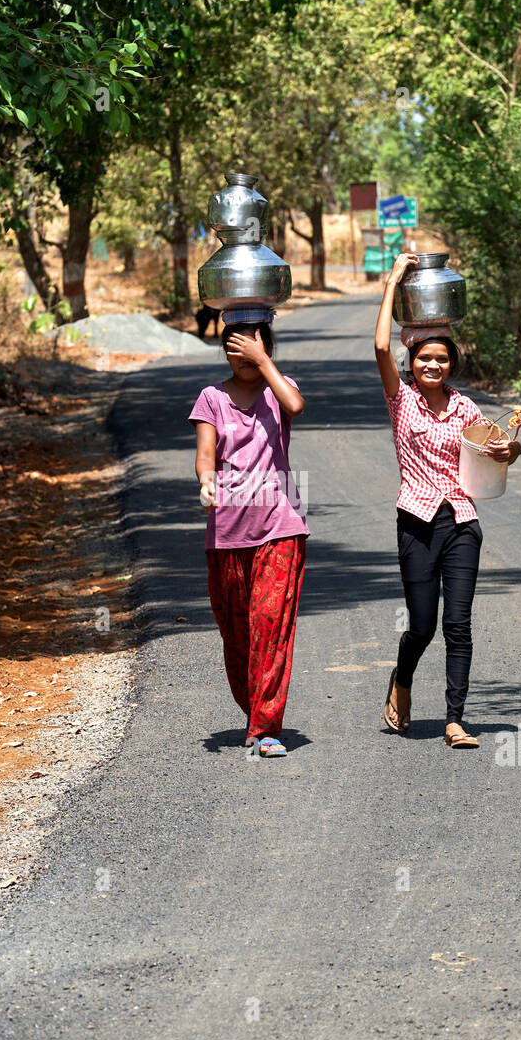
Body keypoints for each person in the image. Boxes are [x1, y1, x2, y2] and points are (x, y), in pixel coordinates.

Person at [374, 253, 521, 748]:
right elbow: (379, 345)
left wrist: (510, 449)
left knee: (459, 624)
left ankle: (455, 718)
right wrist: (394, 280)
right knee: (422, 625)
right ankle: (402, 679)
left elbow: (491, 457)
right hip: (416, 521)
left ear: (451, 364)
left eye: (441, 359)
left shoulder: (465, 407)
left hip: (461, 522)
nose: (432, 365)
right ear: (411, 363)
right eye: (424, 359)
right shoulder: (402, 400)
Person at [189, 316, 309, 757]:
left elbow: (295, 407)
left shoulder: (280, 389)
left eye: (251, 349)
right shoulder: (211, 398)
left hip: (280, 525)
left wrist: (264, 362)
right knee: (237, 635)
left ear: (266, 348)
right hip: (226, 533)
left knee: (270, 628)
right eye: (234, 350)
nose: (243, 359)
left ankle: (265, 727)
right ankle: (255, 710)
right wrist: (206, 481)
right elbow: (205, 455)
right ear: (224, 352)